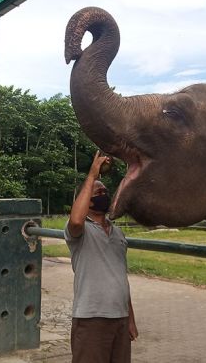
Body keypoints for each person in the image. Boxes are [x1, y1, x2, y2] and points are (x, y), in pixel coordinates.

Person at [64, 151, 138, 363]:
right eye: (98, 191)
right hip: (91, 319)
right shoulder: (79, 231)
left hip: (120, 319)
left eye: (105, 190)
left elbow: (120, 277)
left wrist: (131, 319)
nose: (103, 193)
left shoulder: (118, 234)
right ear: (86, 199)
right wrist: (92, 176)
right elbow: (76, 221)